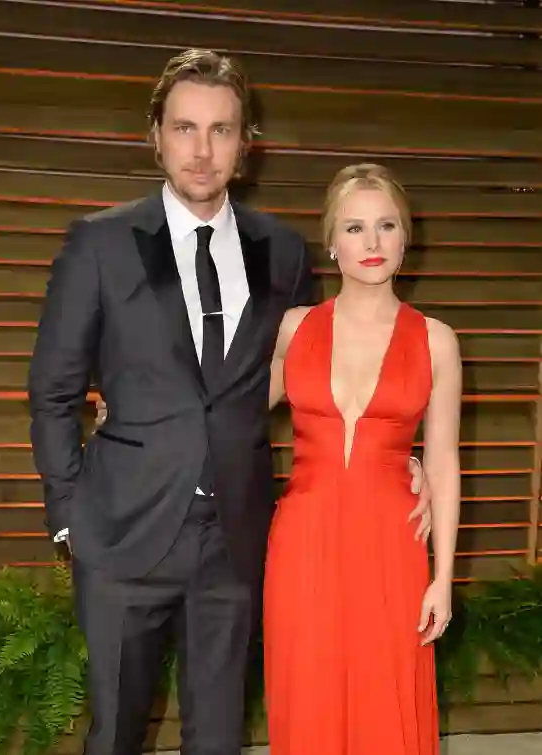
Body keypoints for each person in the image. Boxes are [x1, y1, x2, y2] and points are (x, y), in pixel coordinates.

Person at [28, 48, 430, 755]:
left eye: (221, 130)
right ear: (155, 134)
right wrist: (69, 519)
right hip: (122, 536)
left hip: (237, 541)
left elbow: (323, 372)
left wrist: (403, 454)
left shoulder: (280, 249)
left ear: (245, 144)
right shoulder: (98, 243)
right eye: (185, 128)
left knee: (218, 739)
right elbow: (52, 390)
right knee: (114, 733)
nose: (202, 149)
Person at [263, 163, 461, 755]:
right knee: (308, 698)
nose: (371, 243)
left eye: (385, 226)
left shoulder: (436, 340)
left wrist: (443, 579)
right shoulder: (294, 329)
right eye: (354, 228)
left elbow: (445, 463)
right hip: (302, 543)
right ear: (331, 241)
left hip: (392, 545)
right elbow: (223, 411)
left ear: (405, 240)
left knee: (388, 701)